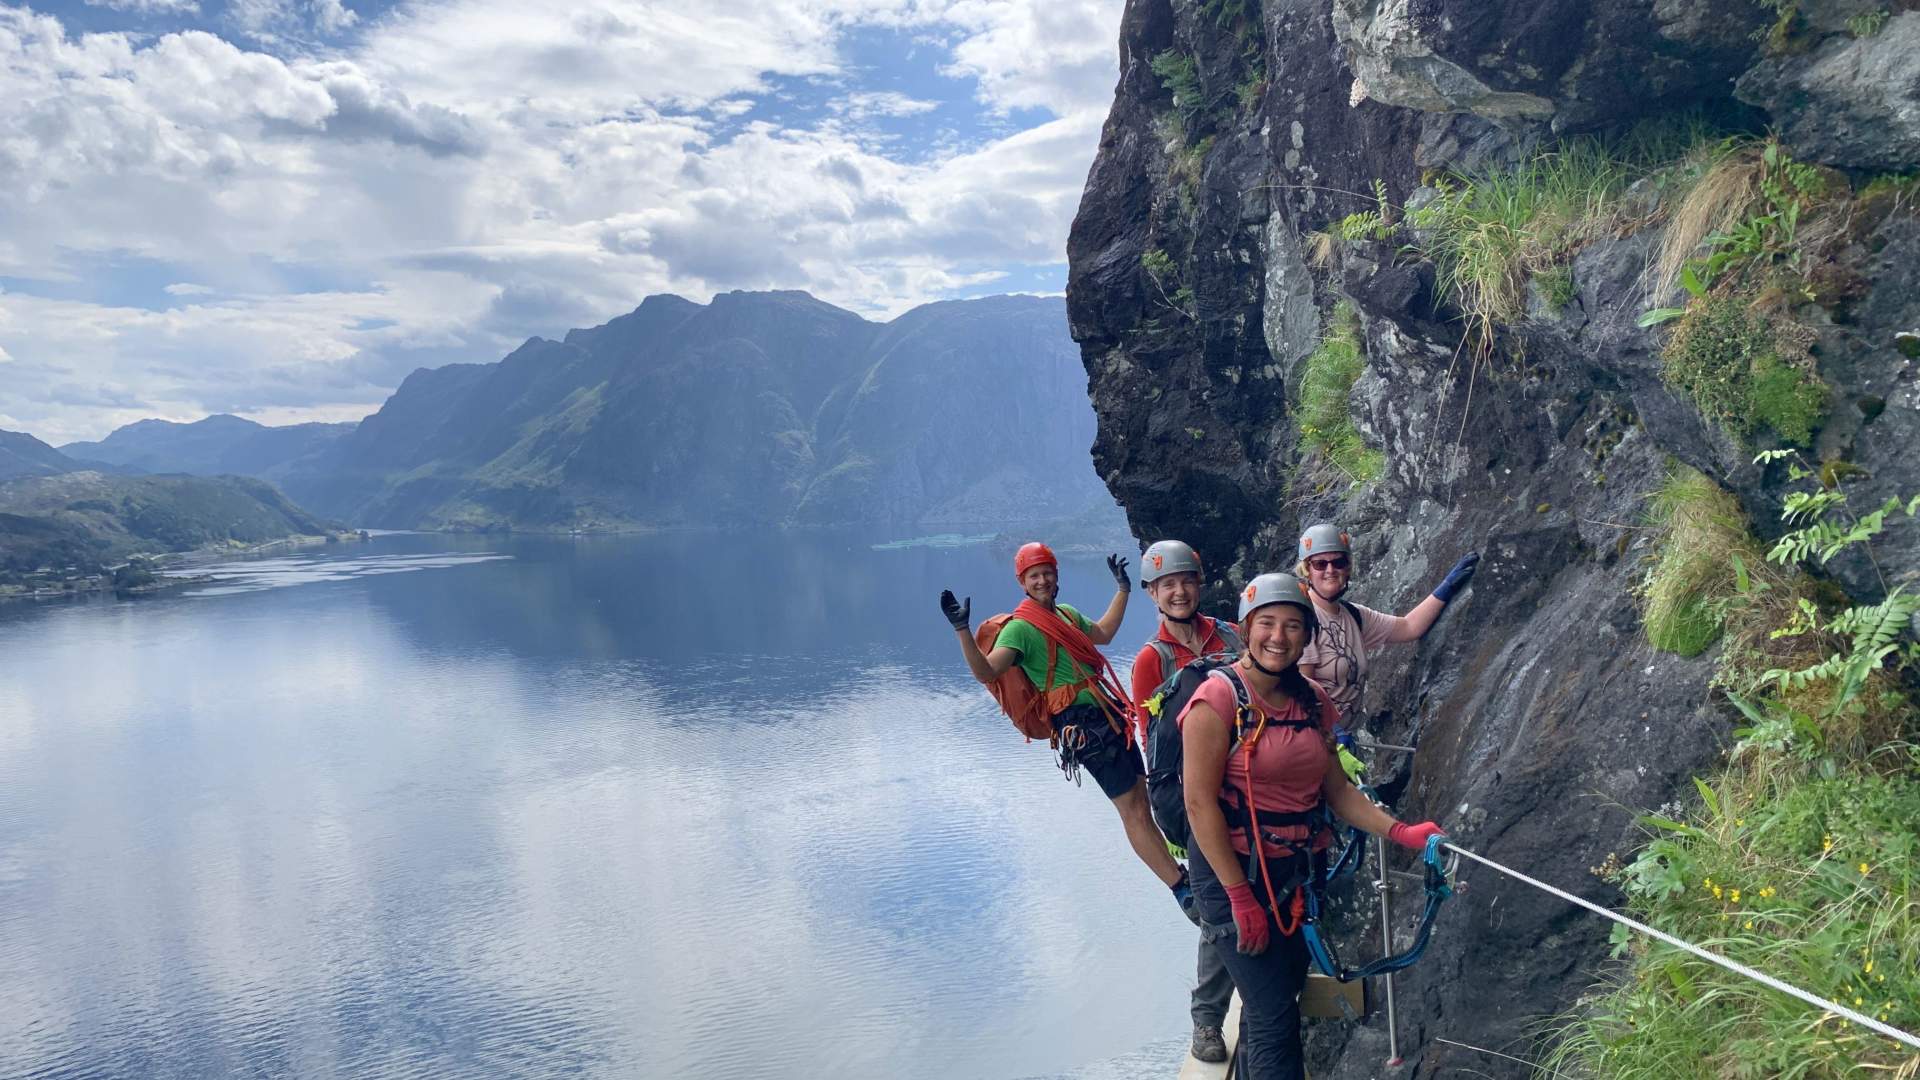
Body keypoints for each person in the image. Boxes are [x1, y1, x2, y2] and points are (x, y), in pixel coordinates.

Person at [1179, 573, 1446, 1080]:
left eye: (1292, 626)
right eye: (1267, 624)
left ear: (1307, 636)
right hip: (1232, 876)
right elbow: (1198, 805)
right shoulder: (1215, 702)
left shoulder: (1310, 701)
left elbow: (1338, 792)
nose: (1278, 637)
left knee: (1279, 1004)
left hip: (1295, 876)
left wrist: (1401, 832)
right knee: (1274, 1018)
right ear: (1246, 628)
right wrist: (1239, 897)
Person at [938, 542, 1192, 915]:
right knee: (1132, 809)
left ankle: (1179, 872)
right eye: (1034, 575)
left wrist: (1122, 589)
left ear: (1057, 576)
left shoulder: (1068, 616)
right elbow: (986, 671)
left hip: (1108, 715)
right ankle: (1181, 888)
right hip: (1082, 727)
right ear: (1023, 582)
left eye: (1046, 573)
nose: (1042, 580)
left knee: (1143, 798)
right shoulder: (1020, 631)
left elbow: (1103, 633)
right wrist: (962, 629)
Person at [1127, 539, 1238, 1064]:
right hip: (1193, 792)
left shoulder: (1234, 635)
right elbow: (1154, 738)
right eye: (1166, 584)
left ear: (1199, 583)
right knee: (1218, 900)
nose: (1178, 591)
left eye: (1185, 581)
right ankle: (1208, 1021)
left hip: (1246, 779)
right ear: (1151, 592)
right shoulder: (1152, 660)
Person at [1294, 523, 1480, 730]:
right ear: (1307, 570)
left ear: (1347, 568)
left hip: (1341, 741)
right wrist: (1330, 730)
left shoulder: (1354, 616)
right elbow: (1299, 691)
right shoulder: (1303, 619)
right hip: (1314, 738)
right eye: (1320, 564)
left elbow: (1409, 627)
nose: (1330, 570)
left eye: (1338, 562)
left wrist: (1448, 587)